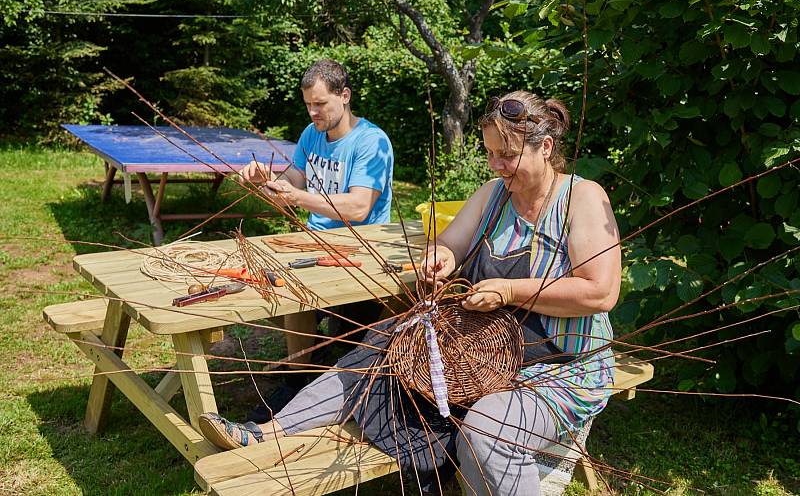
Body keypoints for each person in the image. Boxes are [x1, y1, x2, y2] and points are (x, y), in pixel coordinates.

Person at [201, 90, 621, 496]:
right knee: (378, 352)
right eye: (491, 153)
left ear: (545, 147)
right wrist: (440, 258)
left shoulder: (581, 198)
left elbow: (600, 292)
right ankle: (266, 432)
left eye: (507, 155)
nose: (496, 165)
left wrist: (511, 290)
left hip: (559, 368)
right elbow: (450, 245)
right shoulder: (494, 195)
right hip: (478, 354)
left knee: (486, 431)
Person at [236, 58, 394, 418]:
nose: (313, 112)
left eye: (320, 104)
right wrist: (269, 179)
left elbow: (357, 207)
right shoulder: (311, 135)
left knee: (298, 293)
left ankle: (302, 375)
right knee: (264, 282)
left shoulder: (371, 142)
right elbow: (295, 180)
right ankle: (305, 363)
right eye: (308, 104)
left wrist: (299, 198)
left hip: (361, 250)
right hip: (314, 243)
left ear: (345, 96)